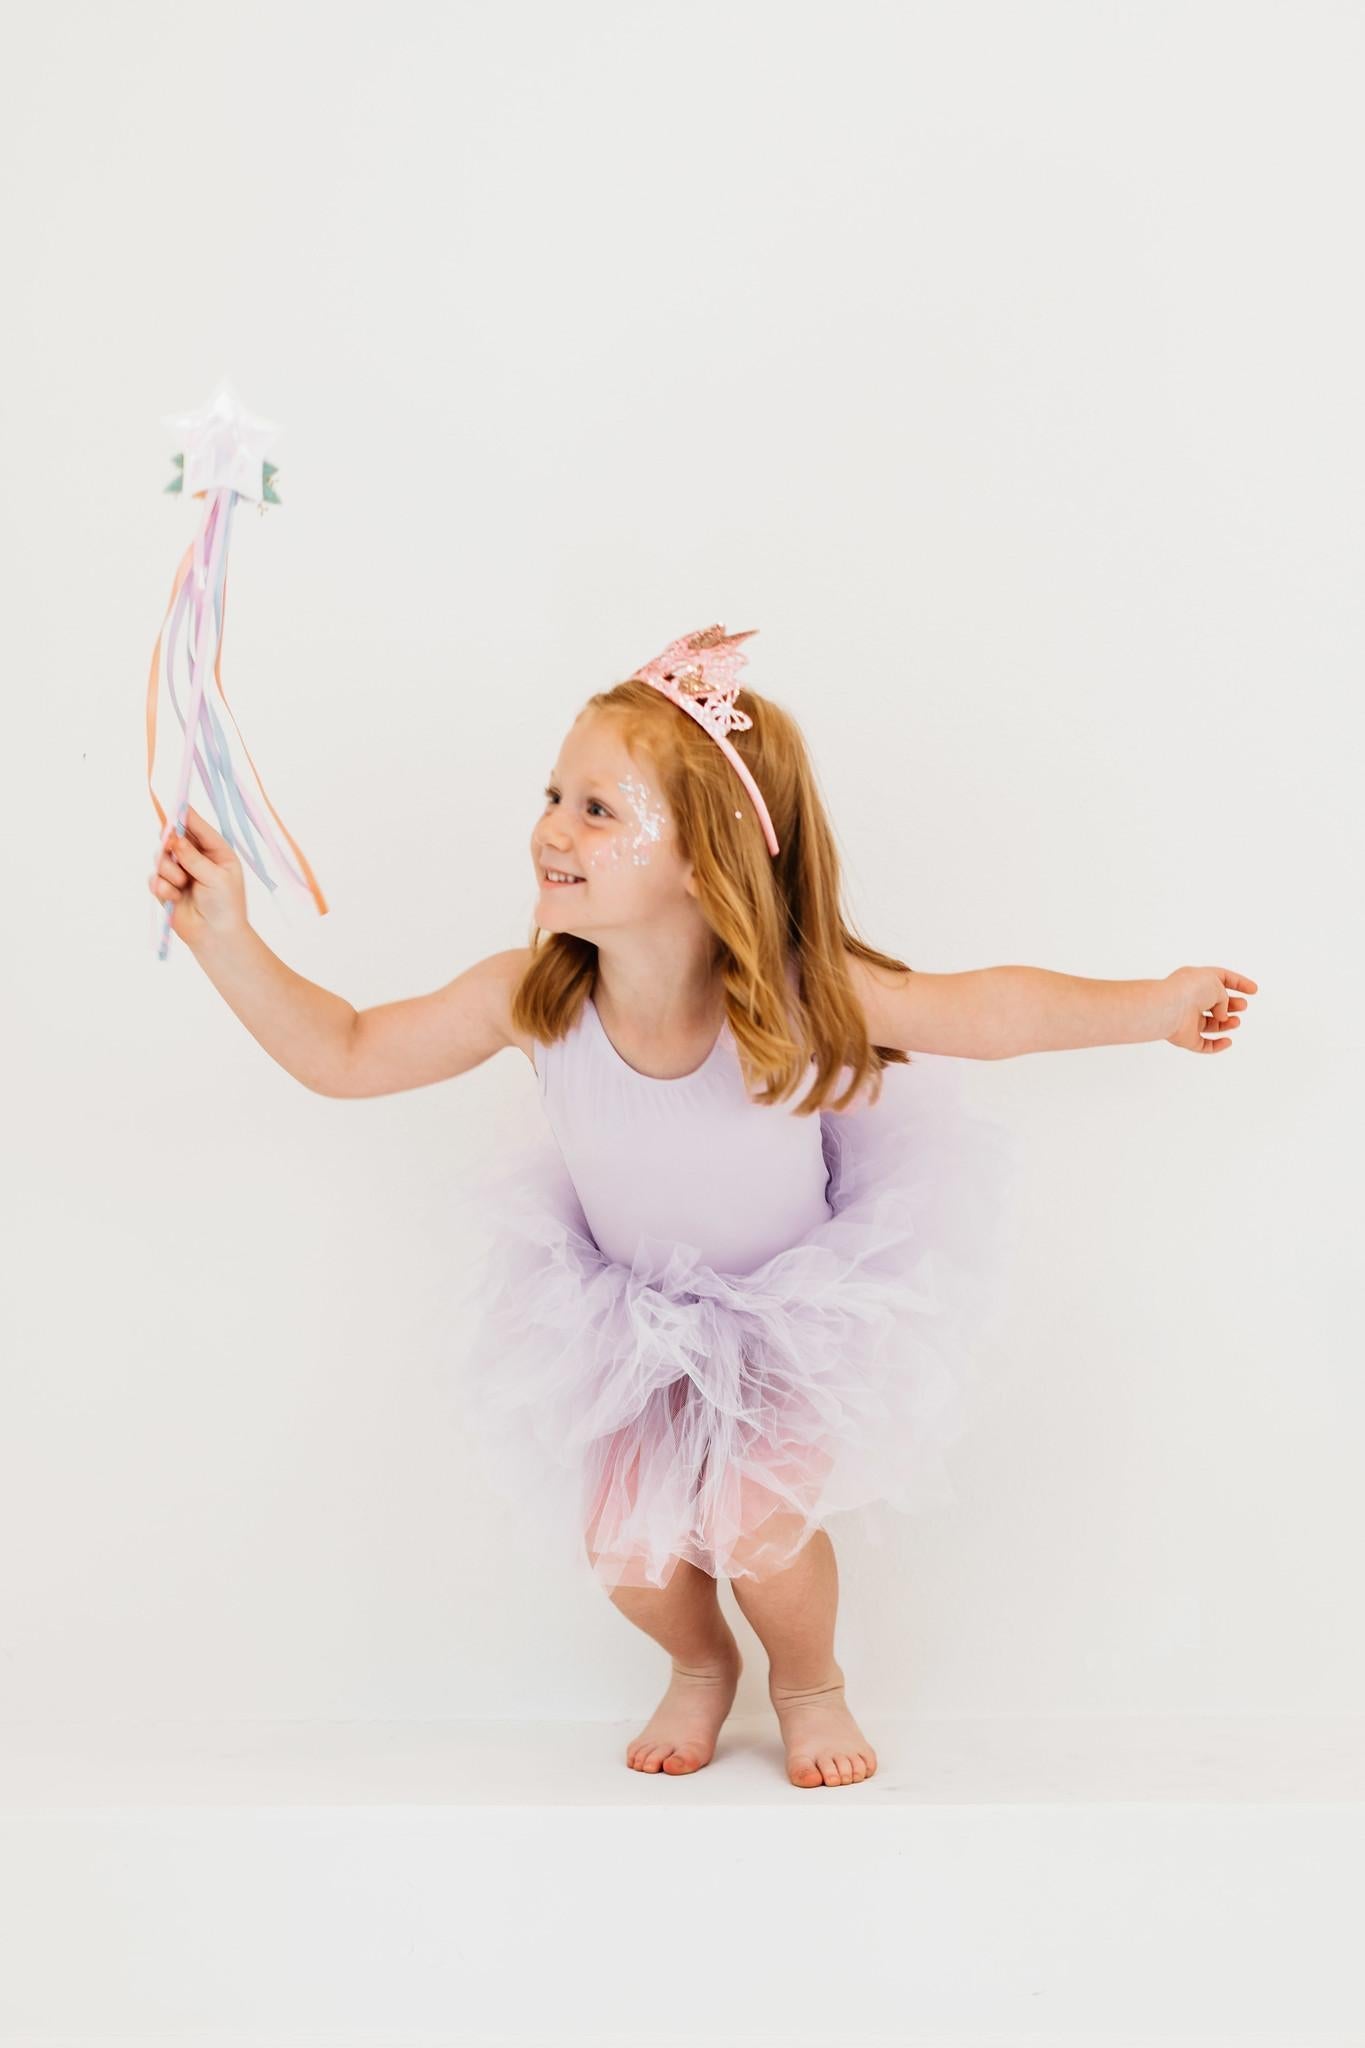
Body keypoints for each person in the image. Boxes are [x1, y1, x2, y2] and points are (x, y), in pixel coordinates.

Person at [148, 622, 1257, 1789]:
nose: (551, 828)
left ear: (702, 855)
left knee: (758, 1531)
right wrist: (226, 937)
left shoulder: (794, 993)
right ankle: (698, 1659)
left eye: (598, 809)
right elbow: (346, 1050)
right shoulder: (531, 999)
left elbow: (988, 1011)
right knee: (627, 1556)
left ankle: (810, 1680)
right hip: (630, 1316)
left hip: (790, 1315)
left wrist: (1155, 1003)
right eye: (554, 796)